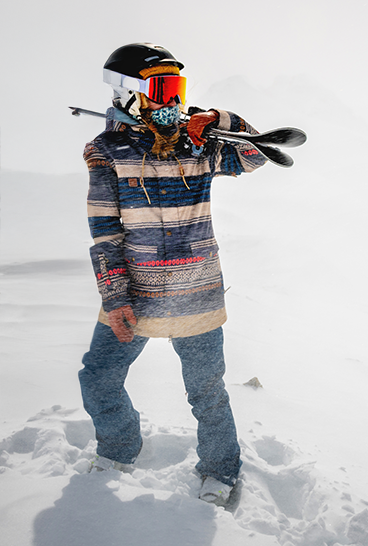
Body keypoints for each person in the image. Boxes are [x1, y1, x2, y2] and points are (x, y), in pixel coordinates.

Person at [78, 43, 269, 505]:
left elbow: (259, 155)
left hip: (196, 291)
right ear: (129, 94)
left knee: (206, 390)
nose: (173, 101)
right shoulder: (107, 152)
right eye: (162, 88)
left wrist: (221, 121)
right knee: (100, 376)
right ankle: (119, 450)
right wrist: (115, 297)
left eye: (178, 88)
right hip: (137, 294)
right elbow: (105, 233)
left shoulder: (199, 145)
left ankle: (220, 472)